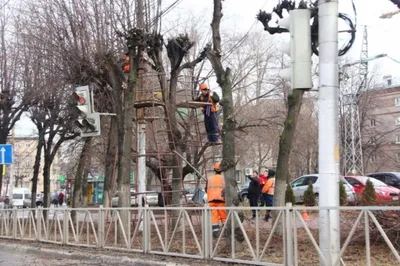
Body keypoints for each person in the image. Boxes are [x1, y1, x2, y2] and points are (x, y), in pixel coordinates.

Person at [205, 162, 226, 238]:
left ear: (214, 169)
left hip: (212, 200)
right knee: (223, 216)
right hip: (221, 200)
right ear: (222, 170)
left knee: (214, 216)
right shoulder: (224, 178)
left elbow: (205, 189)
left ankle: (215, 232)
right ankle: (226, 231)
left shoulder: (209, 178)